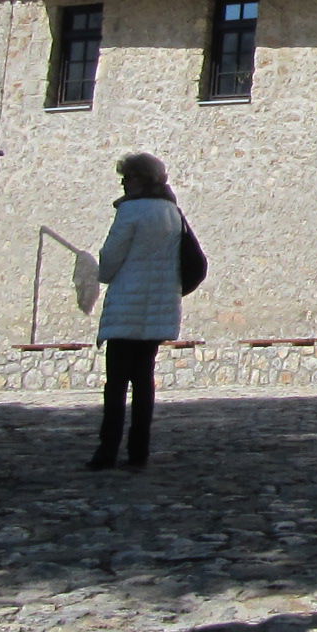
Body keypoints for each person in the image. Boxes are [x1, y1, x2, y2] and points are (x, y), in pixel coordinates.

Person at [91, 151, 186, 470]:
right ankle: (138, 449)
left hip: (127, 306)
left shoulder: (130, 211)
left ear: (139, 180)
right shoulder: (172, 212)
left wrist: (98, 270)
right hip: (159, 306)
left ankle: (107, 449)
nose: (123, 184)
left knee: (116, 382)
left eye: (126, 178)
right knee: (144, 381)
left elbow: (110, 259)